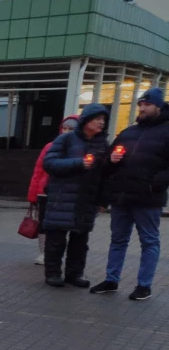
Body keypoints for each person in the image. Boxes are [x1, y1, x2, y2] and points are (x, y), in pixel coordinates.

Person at [91, 88, 169, 300]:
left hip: (148, 198)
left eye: (147, 105)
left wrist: (155, 184)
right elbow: (107, 163)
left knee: (149, 242)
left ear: (158, 107)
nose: (142, 108)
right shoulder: (128, 132)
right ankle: (111, 280)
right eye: (140, 104)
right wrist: (110, 161)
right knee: (118, 240)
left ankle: (144, 285)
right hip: (121, 197)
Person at [41, 104, 110, 288]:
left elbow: (106, 174)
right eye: (98, 119)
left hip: (86, 199)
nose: (101, 123)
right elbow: (49, 163)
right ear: (86, 120)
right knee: (56, 240)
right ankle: (53, 273)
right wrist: (78, 163)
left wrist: (103, 199)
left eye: (104, 120)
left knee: (80, 241)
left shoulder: (102, 144)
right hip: (62, 198)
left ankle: (74, 274)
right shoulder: (66, 140)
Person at [27, 115, 80, 266]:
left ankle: (57, 253)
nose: (66, 131)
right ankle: (44, 252)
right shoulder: (50, 146)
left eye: (71, 129)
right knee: (44, 223)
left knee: (62, 225)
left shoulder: (78, 148)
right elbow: (38, 170)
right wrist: (33, 195)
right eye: (65, 128)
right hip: (45, 191)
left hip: (67, 192)